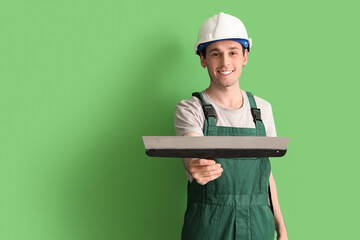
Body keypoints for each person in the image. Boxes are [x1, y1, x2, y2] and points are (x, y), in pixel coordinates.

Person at [174, 12, 288, 240]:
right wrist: (195, 164)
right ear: (203, 59)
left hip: (259, 224)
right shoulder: (191, 108)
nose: (225, 62)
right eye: (215, 54)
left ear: (245, 56)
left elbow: (265, 175)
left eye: (233, 53)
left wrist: (281, 228)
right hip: (208, 225)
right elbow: (191, 148)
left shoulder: (263, 110)